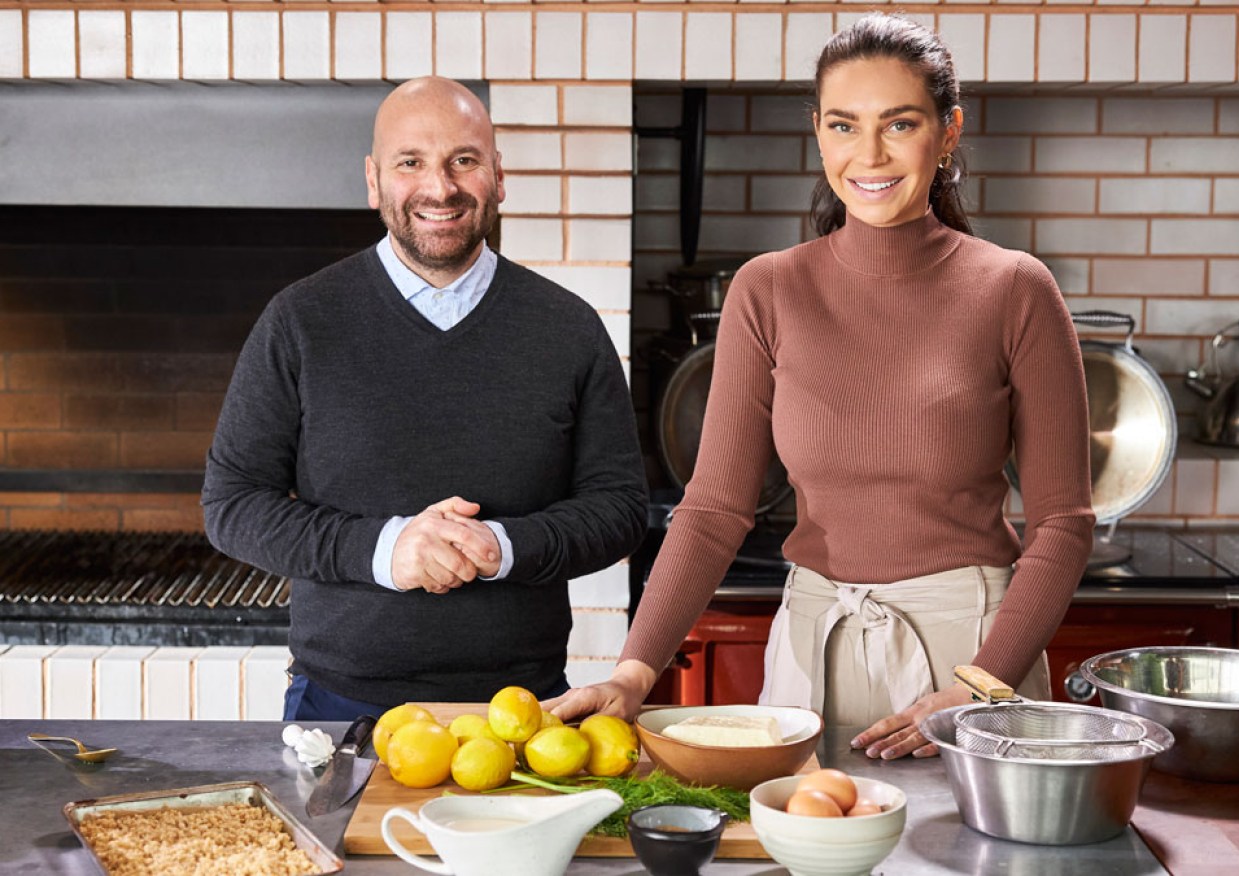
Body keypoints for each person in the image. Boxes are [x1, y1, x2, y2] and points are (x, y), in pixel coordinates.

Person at [548, 14, 1094, 759]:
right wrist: (634, 670)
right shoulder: (767, 290)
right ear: (818, 132)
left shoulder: (1013, 289)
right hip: (811, 645)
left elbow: (1062, 522)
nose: (867, 154)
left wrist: (980, 681)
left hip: (970, 650)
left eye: (898, 124)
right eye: (843, 125)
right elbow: (712, 510)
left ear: (948, 130)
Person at [202, 77, 648, 722]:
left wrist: (503, 546)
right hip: (337, 704)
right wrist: (387, 550)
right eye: (410, 162)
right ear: (373, 180)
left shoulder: (568, 327)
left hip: (527, 707)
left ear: (498, 175)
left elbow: (620, 509)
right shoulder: (300, 320)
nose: (439, 188)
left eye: (463, 161)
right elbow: (232, 504)